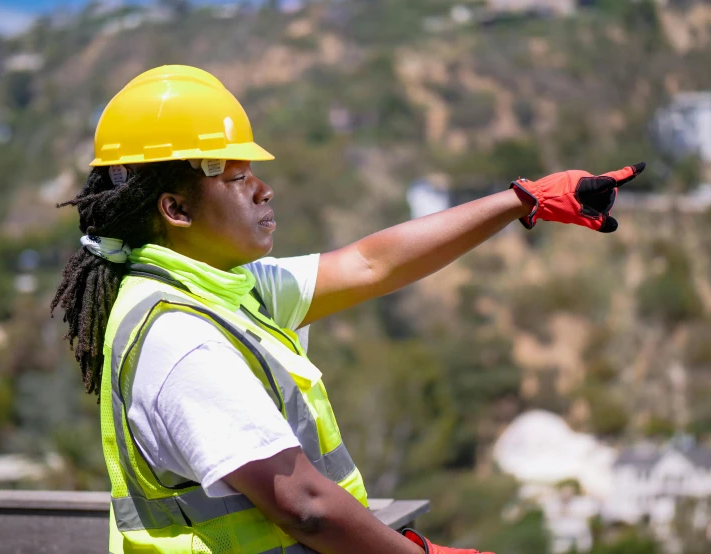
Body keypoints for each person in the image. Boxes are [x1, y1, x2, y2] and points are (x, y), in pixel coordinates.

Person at [51, 65, 645, 554]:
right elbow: (305, 507)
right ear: (175, 209)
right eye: (234, 176)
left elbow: (370, 264)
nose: (263, 189)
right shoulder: (180, 337)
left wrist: (523, 201)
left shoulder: (226, 290)